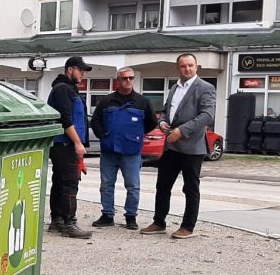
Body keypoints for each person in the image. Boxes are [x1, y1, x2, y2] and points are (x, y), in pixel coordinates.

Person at [140, 53, 216, 239]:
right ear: (178, 68)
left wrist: (181, 131)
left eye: (190, 65)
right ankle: (159, 222)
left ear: (197, 67)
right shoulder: (174, 87)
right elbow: (166, 111)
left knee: (190, 188)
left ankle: (188, 226)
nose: (187, 69)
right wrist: (163, 122)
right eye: (183, 66)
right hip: (171, 146)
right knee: (163, 185)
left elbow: (207, 115)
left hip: (192, 147)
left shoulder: (205, 88)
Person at [90, 67, 156, 230]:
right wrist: (103, 136)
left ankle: (131, 216)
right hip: (109, 150)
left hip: (131, 151)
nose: (128, 81)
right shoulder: (106, 101)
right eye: (124, 78)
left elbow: (151, 122)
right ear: (118, 81)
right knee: (106, 184)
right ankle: (107, 214)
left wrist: (137, 135)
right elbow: (95, 121)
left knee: (133, 186)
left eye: (130, 78)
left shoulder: (143, 102)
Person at [46, 57, 93, 239]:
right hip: (64, 144)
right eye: (81, 71)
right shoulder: (64, 89)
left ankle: (57, 220)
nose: (83, 74)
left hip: (62, 144)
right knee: (70, 182)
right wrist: (77, 142)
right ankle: (69, 222)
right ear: (70, 70)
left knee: (60, 181)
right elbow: (66, 119)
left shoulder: (66, 89)